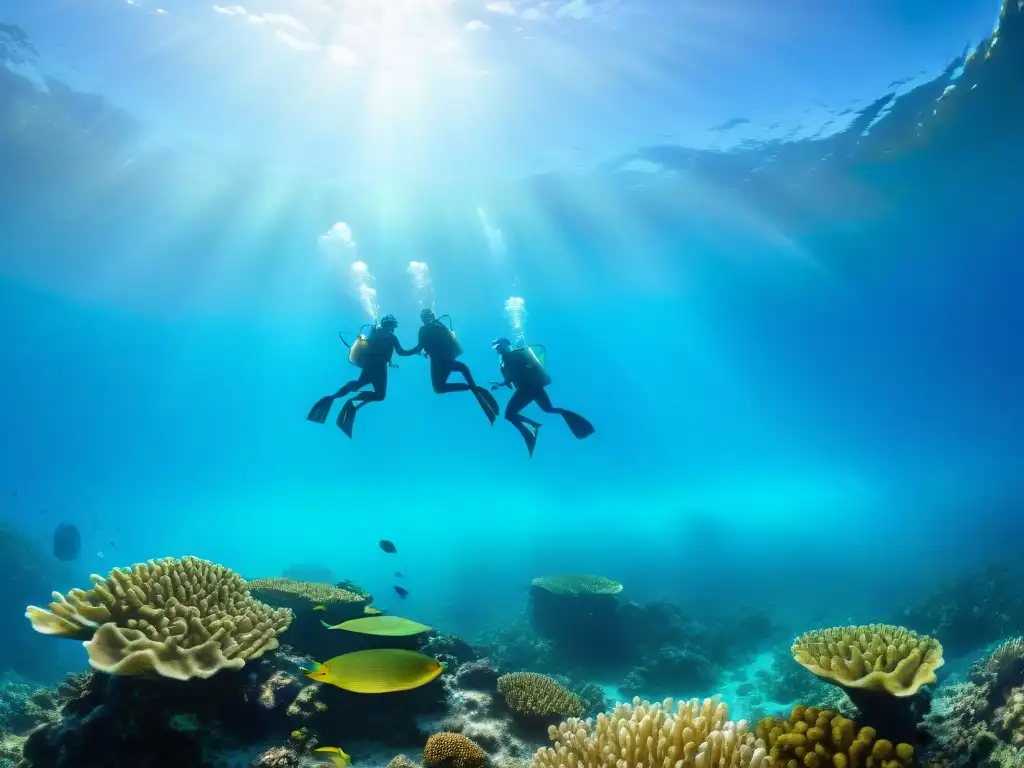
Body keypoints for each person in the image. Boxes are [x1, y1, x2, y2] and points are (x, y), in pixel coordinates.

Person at [306, 314, 417, 437]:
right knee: (380, 395)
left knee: (359, 383)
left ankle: (333, 397)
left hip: (368, 364)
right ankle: (352, 403)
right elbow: (401, 352)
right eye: (394, 325)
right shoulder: (391, 337)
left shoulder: (373, 333)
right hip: (379, 366)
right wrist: (417, 349)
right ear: (392, 325)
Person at [490, 337, 595, 457]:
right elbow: (512, 380)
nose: (498, 348)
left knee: (509, 414)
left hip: (527, 388)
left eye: (499, 345)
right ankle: (581, 426)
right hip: (536, 388)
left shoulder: (509, 358)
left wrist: (503, 383)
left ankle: (531, 431)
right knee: (549, 409)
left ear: (506, 345)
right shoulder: (510, 358)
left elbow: (515, 376)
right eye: (496, 347)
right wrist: (502, 383)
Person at [402, 308, 500, 423]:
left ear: (423, 319)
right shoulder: (442, 326)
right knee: (460, 374)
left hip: (439, 363)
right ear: (433, 315)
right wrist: (429, 351)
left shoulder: (424, 329)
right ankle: (474, 387)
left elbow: (419, 347)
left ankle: (470, 387)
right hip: (451, 362)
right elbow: (440, 345)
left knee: (438, 388)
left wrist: (404, 353)